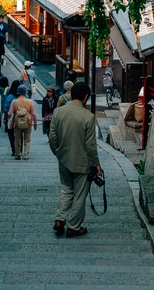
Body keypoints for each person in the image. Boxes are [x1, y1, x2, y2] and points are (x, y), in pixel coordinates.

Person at [49, 83, 102, 238]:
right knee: (79, 195)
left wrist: (58, 153)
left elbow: (52, 137)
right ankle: (74, 227)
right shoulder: (88, 117)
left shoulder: (58, 112)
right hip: (82, 162)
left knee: (66, 189)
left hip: (64, 159)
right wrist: (96, 163)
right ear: (86, 97)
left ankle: (59, 219)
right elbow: (91, 145)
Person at [8, 84, 37, 160]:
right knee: (27, 139)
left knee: (17, 139)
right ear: (25, 93)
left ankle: (18, 154)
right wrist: (35, 124)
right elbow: (33, 113)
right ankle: (26, 155)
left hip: (17, 123)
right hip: (28, 123)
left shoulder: (14, 102)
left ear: (18, 93)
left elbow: (10, 113)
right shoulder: (30, 101)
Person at [4, 79, 20, 156]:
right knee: (20, 134)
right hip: (21, 118)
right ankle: (19, 149)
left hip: (11, 118)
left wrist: (5, 118)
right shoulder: (24, 96)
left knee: (11, 133)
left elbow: (6, 108)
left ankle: (14, 149)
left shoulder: (10, 97)